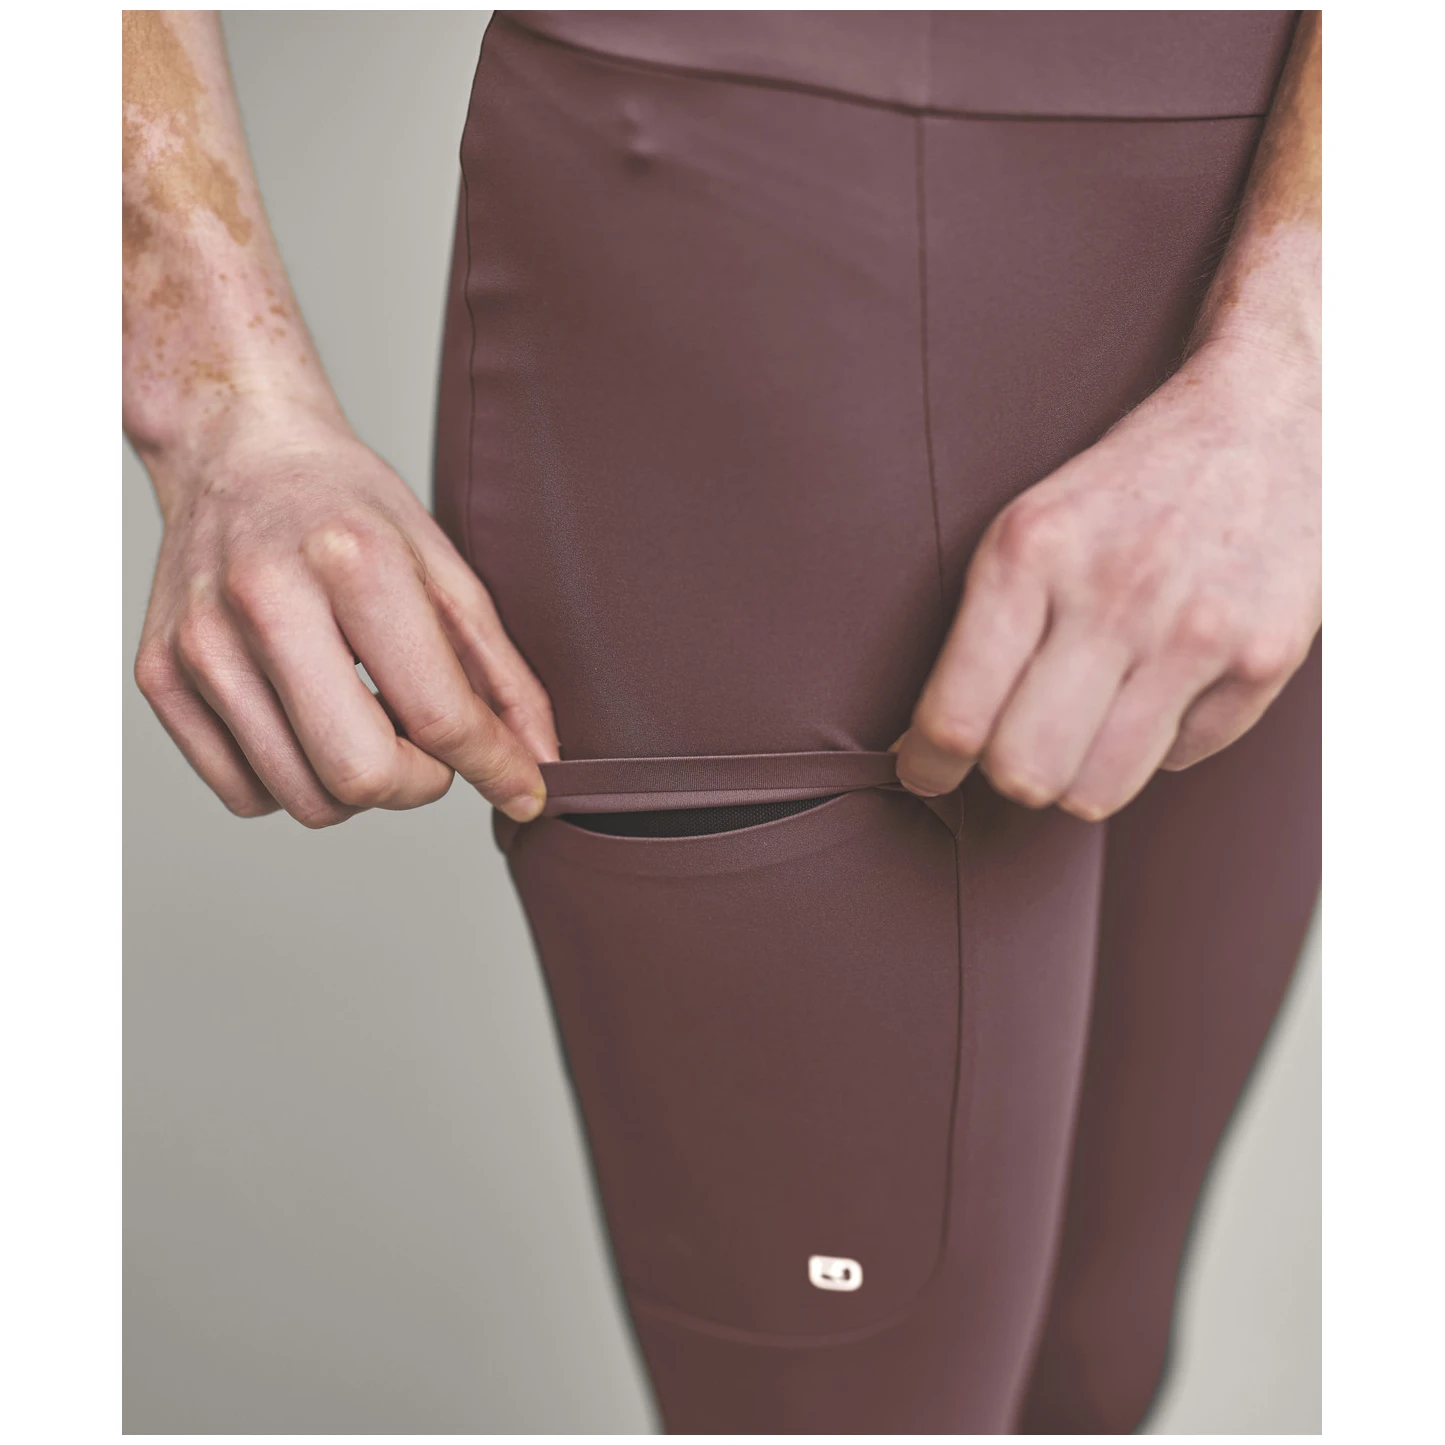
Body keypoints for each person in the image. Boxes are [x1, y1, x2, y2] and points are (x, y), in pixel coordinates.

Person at [123, 9, 1321, 1433]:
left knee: (1091, 1368)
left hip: (1296, 259)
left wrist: (1307, 366)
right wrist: (215, 399)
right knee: (873, 1409)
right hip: (768, 269)